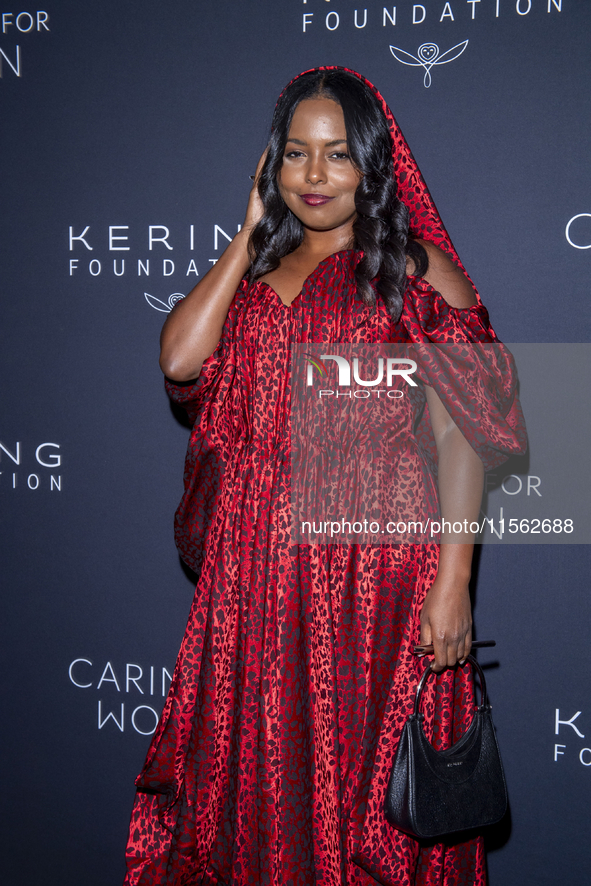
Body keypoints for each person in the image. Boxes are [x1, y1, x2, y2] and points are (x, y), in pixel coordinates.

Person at [124, 68, 526, 886]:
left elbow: (462, 436)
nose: (313, 176)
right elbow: (178, 357)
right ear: (269, 169)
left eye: (337, 155)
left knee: (364, 792)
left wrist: (452, 584)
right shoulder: (252, 280)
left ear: (372, 165)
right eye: (295, 155)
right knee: (256, 785)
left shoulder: (413, 270)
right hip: (256, 575)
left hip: (374, 570)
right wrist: (244, 238)